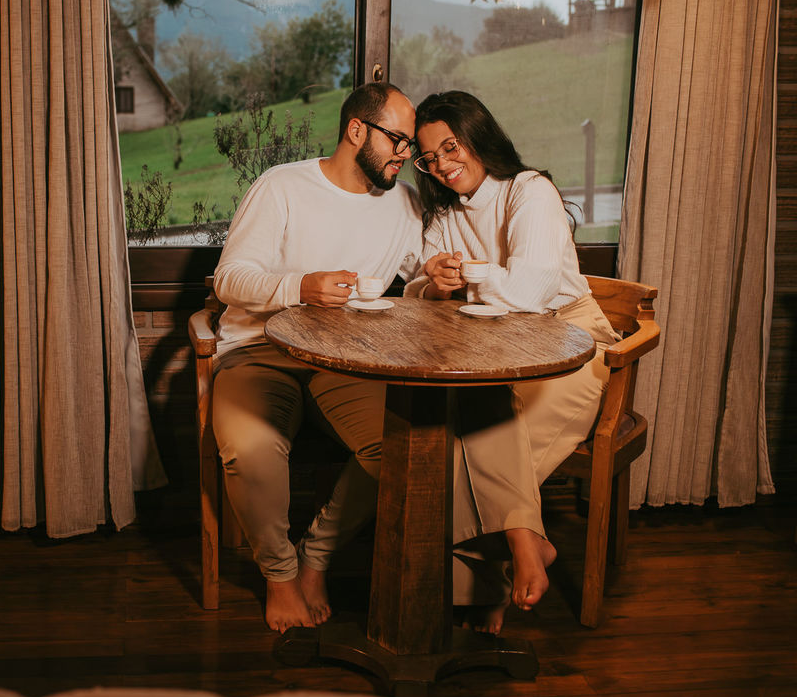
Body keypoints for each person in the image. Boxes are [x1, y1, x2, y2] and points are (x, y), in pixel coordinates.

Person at [404, 90, 620, 634]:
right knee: (473, 414)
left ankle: (479, 589)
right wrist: (435, 282)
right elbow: (413, 294)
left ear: (477, 135)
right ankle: (525, 546)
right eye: (429, 158)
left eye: (450, 147)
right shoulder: (445, 211)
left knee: (470, 446)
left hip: (573, 345)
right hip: (496, 352)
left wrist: (469, 274)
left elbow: (529, 289)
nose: (443, 165)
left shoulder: (531, 192)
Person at [211, 82, 423, 632]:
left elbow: (417, 282)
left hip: (346, 361)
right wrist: (299, 287)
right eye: (398, 140)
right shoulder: (282, 186)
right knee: (252, 450)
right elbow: (230, 279)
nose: (406, 154)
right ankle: (279, 577)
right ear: (357, 130)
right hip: (259, 353)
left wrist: (436, 281)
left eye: (408, 145)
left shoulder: (404, 202)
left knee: (400, 449)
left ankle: (315, 557)